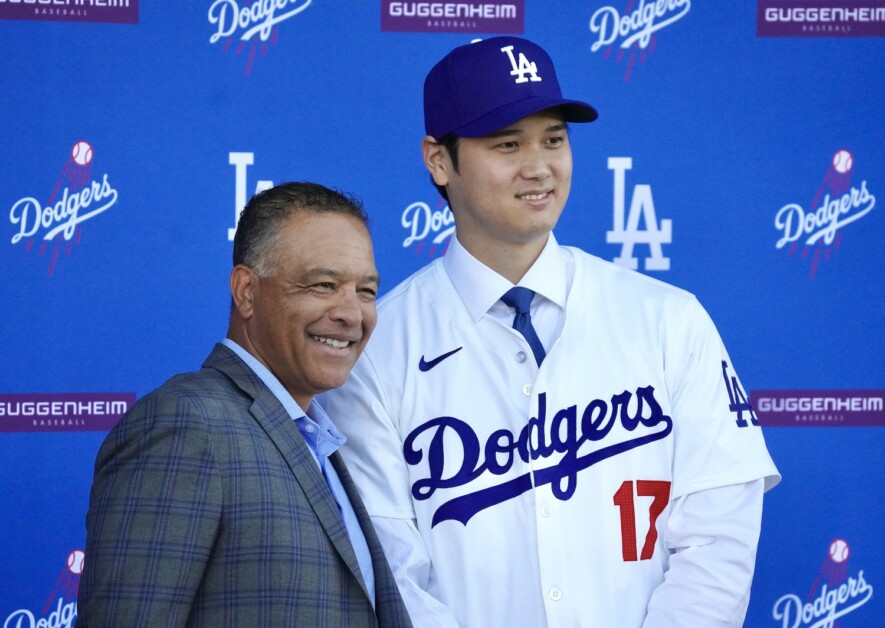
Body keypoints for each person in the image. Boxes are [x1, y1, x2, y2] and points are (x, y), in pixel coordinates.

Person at [320, 37, 781, 627]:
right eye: (507, 143)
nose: (538, 166)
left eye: (554, 140)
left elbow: (720, 534)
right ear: (439, 159)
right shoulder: (377, 350)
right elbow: (390, 567)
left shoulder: (667, 317)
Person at [77, 182, 412, 627]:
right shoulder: (186, 424)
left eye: (366, 291)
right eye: (324, 285)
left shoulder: (318, 439)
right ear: (246, 291)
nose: (353, 314)